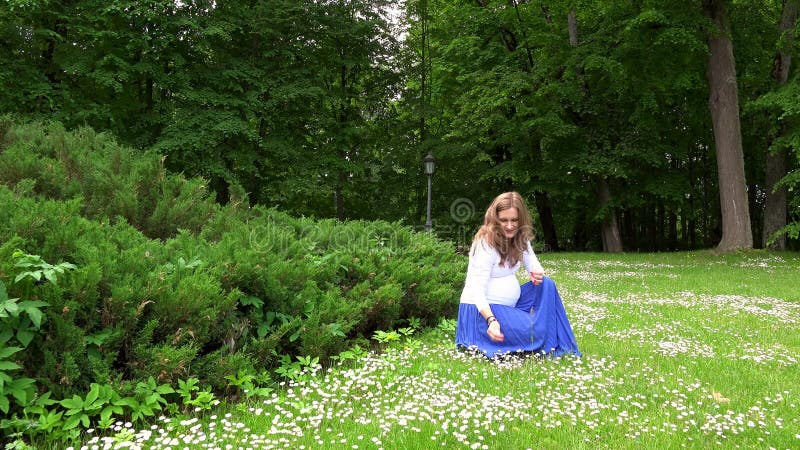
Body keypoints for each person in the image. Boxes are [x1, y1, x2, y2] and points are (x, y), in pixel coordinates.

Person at [455, 192, 581, 358]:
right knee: (534, 331)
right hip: (482, 312)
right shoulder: (485, 243)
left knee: (547, 285)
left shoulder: (520, 238)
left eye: (514, 220)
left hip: (511, 307)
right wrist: (491, 321)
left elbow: (534, 265)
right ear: (495, 219)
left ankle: (553, 341)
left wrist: (536, 274)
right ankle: (539, 336)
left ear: (521, 220)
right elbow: (476, 290)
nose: (509, 226)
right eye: (503, 220)